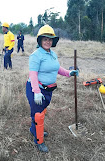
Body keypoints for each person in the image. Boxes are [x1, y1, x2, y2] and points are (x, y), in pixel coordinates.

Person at [26, 24, 79, 153]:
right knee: (39, 116)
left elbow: (57, 69)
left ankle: (34, 130)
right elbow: (33, 75)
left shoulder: (53, 54)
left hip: (48, 90)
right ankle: (39, 141)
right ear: (40, 40)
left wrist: (68, 73)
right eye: (45, 39)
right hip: (37, 89)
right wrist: (37, 92)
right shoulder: (36, 55)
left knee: (41, 112)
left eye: (50, 39)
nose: (48, 41)